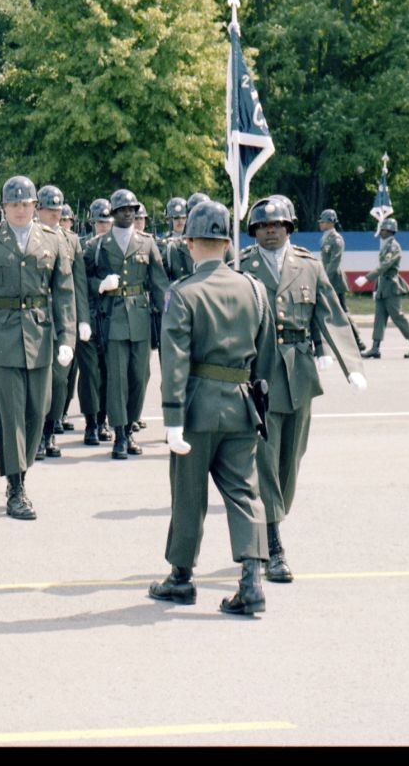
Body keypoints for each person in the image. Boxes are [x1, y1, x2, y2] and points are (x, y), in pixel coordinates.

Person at [148, 199, 276, 616]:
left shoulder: (182, 293)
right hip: (241, 406)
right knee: (244, 492)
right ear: (226, 242)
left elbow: (175, 361)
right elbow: (266, 358)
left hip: (197, 409)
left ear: (189, 243)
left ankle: (181, 577)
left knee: (188, 495)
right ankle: (252, 580)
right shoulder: (254, 289)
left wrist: (171, 418)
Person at [237, 195, 366, 583]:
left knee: (291, 460)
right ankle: (273, 546)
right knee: (264, 458)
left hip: (299, 373)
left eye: (277, 225)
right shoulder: (243, 268)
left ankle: (273, 521)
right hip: (259, 373)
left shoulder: (309, 266)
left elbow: (331, 315)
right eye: (262, 226)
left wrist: (351, 366)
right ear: (253, 232)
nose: (270, 231)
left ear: (290, 227)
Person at [0, 175, 76, 519]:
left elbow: (64, 291)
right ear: (4, 207)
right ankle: (16, 486)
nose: (20, 209)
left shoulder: (52, 240)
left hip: (40, 334)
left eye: (26, 204)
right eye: (14, 204)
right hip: (5, 334)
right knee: (10, 415)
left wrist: (67, 336)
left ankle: (21, 473)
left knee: (38, 411)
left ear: (35, 207)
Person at [89, 188, 170, 458]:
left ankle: (132, 423)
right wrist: (100, 285)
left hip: (139, 316)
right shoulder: (100, 244)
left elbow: (158, 283)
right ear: (113, 212)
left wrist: (169, 315)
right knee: (117, 378)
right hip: (112, 317)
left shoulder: (147, 243)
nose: (127, 213)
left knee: (140, 375)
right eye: (122, 209)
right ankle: (121, 434)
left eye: (132, 209)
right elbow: (83, 279)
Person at [35, 184, 90, 458]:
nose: (54, 215)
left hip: (62, 320)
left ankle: (49, 431)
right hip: (35, 318)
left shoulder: (72, 241)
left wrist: (82, 320)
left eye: (58, 210)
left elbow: (77, 284)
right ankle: (34, 432)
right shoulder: (32, 237)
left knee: (59, 379)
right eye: (49, 209)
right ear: (38, 210)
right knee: (37, 380)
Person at [355, 218, 409, 359]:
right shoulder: (386, 245)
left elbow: (384, 266)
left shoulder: (393, 247)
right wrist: (376, 289)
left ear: (390, 231)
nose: (381, 232)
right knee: (379, 318)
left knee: (397, 316)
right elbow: (382, 272)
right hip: (383, 287)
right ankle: (375, 348)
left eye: (383, 230)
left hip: (391, 287)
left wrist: (367, 278)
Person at [77, 198, 113, 444]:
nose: (104, 226)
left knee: (109, 371)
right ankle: (91, 421)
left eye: (108, 221)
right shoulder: (83, 246)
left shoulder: (116, 245)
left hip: (111, 316)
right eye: (100, 221)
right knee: (90, 373)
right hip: (89, 313)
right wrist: (98, 285)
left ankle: (103, 419)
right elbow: (78, 281)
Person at [316, 209, 365, 353]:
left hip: (334, 281)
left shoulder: (336, 239)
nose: (321, 224)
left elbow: (334, 262)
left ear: (330, 223)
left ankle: (358, 341)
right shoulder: (326, 237)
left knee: (342, 312)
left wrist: (325, 280)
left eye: (323, 222)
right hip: (327, 278)